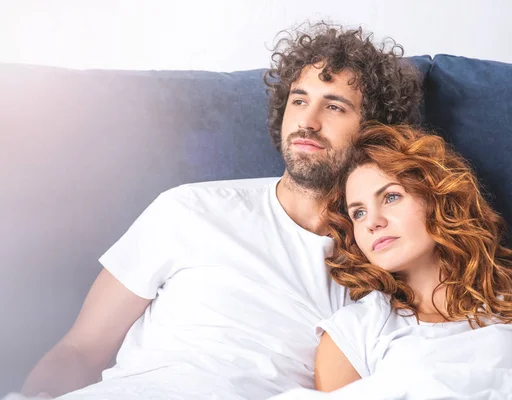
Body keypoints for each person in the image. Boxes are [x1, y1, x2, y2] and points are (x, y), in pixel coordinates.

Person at [19, 23, 423, 400]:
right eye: (299, 100)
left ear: (374, 129)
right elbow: (81, 349)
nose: (308, 122)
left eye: (334, 107)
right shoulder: (189, 209)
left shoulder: (384, 258)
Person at [315, 123, 512, 392]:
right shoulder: (352, 331)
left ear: (438, 200)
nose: (372, 222)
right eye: (358, 213)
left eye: (391, 197)